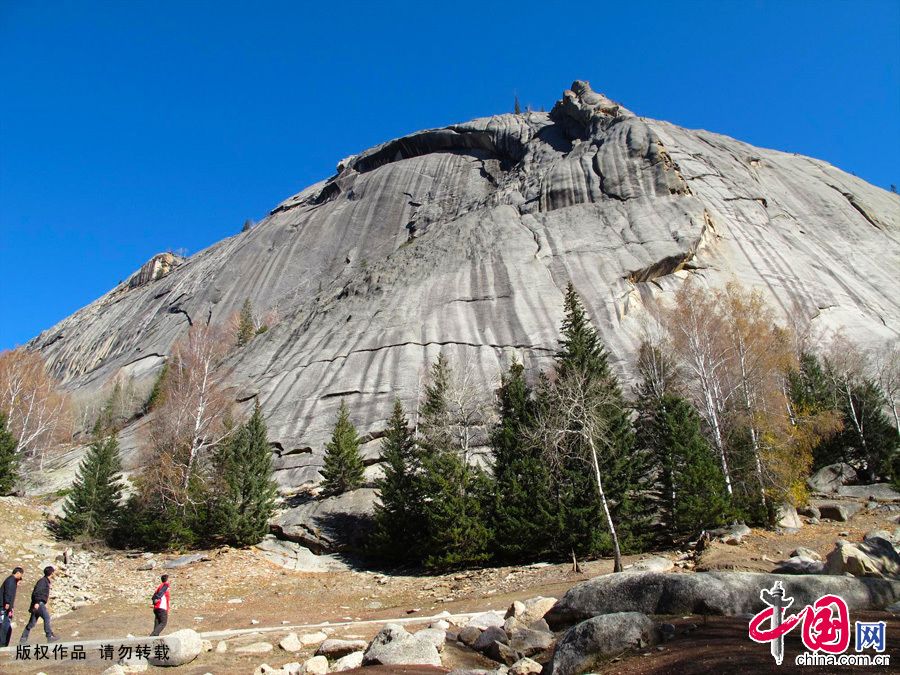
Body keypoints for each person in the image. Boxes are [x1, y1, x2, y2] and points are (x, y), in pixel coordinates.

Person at [20, 566, 58, 643]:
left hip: (38, 603)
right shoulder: (42, 581)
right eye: (53, 572)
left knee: (32, 623)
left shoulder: (45, 581)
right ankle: (49, 636)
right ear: (51, 573)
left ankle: (23, 638)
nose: (54, 573)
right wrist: (37, 602)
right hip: (39, 604)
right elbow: (36, 592)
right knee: (47, 618)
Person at [1, 567, 23, 647]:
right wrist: (7, 603)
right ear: (17, 573)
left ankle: (4, 643)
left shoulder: (12, 581)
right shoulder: (10, 581)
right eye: (20, 575)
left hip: (7, 606)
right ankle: (2, 644)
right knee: (5, 625)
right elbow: (8, 592)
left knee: (6, 625)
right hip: (4, 606)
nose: (20, 577)